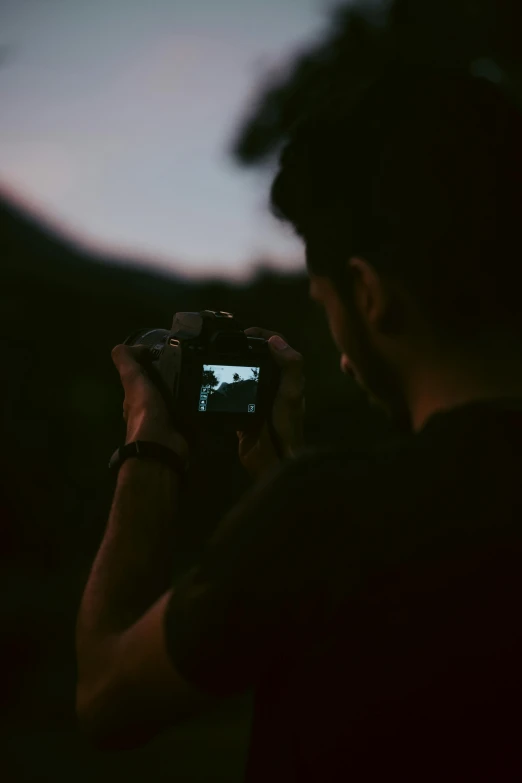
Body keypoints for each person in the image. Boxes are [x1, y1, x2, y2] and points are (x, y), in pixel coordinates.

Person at [76, 63, 522, 781]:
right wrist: (278, 467)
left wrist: (148, 443)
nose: (341, 352)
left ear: (369, 293)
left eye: (326, 301)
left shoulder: (326, 514)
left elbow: (104, 693)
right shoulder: (330, 518)